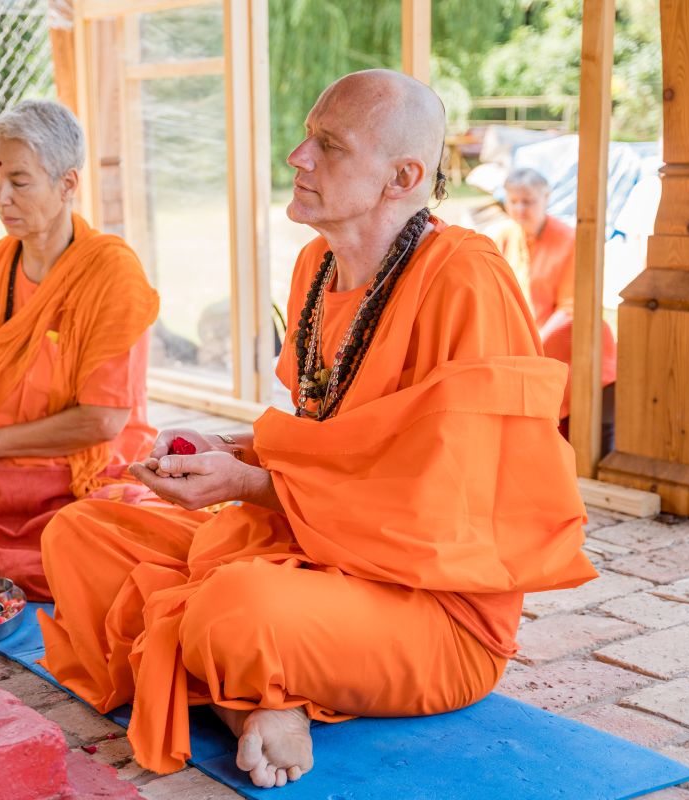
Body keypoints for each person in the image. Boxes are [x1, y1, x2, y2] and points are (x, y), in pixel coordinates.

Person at [37, 70, 597, 788]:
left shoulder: (465, 278)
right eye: (307, 136)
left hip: (432, 606)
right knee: (79, 534)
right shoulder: (315, 267)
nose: (297, 157)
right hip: (308, 550)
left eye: (327, 145)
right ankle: (258, 702)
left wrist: (252, 484)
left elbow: (445, 510)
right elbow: (328, 436)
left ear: (403, 175)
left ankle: (248, 685)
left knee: (233, 610)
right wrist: (231, 452)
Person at [0, 99, 160, 601]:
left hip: (80, 476)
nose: (2, 198)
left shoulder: (111, 273)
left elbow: (103, 421)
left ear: (67, 184)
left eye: (19, 181)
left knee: (100, 549)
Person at [491, 168, 618, 446]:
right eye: (513, 201)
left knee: (569, 431)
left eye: (528, 202)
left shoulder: (569, 240)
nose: (519, 209)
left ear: (546, 199)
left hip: (568, 346)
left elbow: (571, 308)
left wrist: (531, 346)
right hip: (524, 347)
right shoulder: (501, 237)